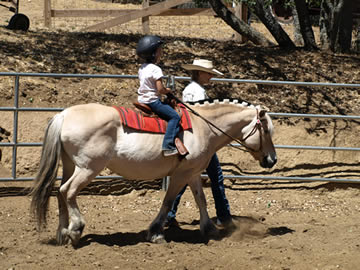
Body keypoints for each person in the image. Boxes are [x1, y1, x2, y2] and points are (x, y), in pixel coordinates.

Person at [166, 59, 232, 227]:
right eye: (208, 73)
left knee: (186, 178)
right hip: (200, 142)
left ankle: (169, 214)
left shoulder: (192, 89)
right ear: (199, 72)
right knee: (215, 177)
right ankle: (223, 216)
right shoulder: (197, 92)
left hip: (195, 140)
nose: (210, 76)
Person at [136, 35, 180, 157]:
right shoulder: (156, 69)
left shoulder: (142, 68)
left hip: (142, 99)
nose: (161, 53)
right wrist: (168, 90)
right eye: (159, 51)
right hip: (153, 101)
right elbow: (160, 89)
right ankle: (168, 145)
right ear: (153, 53)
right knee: (175, 117)